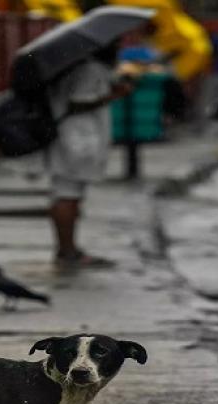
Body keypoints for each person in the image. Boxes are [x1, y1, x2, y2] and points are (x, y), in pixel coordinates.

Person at [45, 46, 136, 269]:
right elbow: (78, 101)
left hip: (73, 137)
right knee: (67, 194)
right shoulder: (90, 69)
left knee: (69, 194)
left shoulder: (78, 67)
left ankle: (68, 250)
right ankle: (67, 252)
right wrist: (114, 95)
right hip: (77, 139)